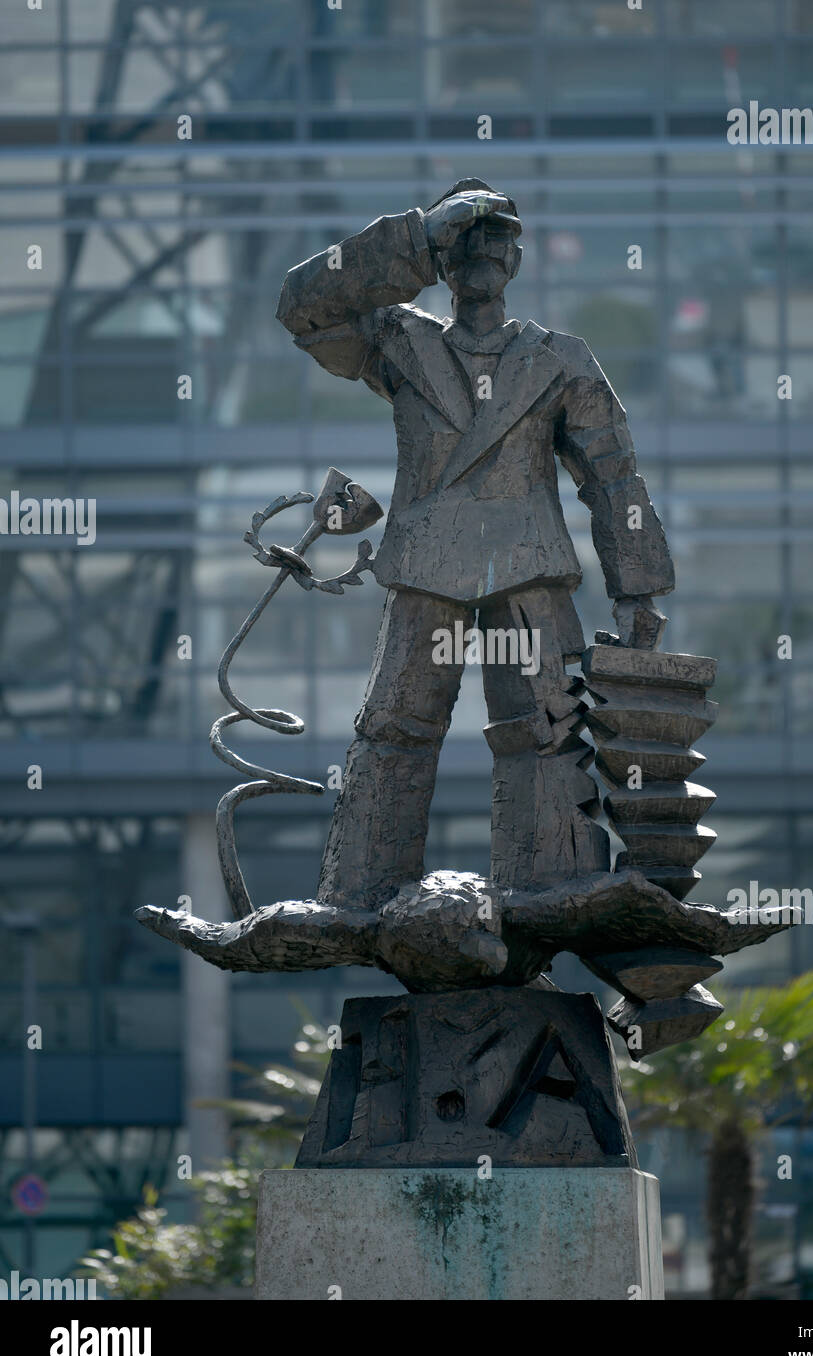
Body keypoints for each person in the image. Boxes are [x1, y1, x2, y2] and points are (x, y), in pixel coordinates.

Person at [276, 179, 674, 909]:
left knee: (545, 734)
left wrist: (638, 589)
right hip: (425, 568)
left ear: (518, 257)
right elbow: (302, 305)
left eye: (496, 237)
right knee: (393, 730)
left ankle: (554, 883)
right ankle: (362, 890)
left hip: (527, 571)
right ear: (443, 258)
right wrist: (416, 236)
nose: (481, 251)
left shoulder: (559, 358)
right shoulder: (397, 341)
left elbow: (613, 480)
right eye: (465, 239)